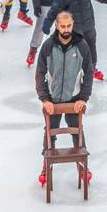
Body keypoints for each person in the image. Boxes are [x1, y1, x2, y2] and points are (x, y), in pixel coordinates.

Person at [34, 10, 94, 187]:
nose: (66, 29)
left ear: (72, 25)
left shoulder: (81, 45)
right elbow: (40, 73)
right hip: (52, 100)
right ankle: (46, 165)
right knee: (49, 133)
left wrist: (83, 98)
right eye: (63, 26)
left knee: (78, 133)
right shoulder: (48, 46)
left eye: (68, 26)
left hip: (73, 99)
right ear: (57, 26)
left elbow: (88, 73)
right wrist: (45, 99)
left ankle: (83, 166)